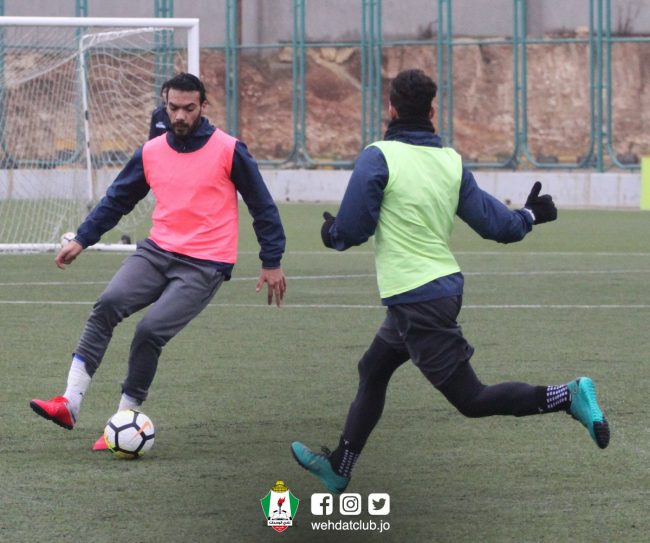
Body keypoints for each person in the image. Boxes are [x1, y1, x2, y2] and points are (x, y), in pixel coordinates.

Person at [290, 69, 609, 494]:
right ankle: (339, 467)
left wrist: (330, 232)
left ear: (391, 109)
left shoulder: (378, 156)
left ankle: (568, 396)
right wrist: (530, 214)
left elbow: (351, 230)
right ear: (432, 112)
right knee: (373, 369)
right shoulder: (450, 163)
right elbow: (498, 226)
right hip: (432, 292)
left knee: (471, 399)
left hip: (416, 299)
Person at [31, 73, 287, 450]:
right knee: (107, 305)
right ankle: (69, 403)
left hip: (206, 263)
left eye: (189, 108)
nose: (180, 115)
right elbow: (118, 199)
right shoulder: (151, 151)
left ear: (203, 106)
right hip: (157, 252)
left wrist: (271, 259)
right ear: (164, 106)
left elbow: (261, 205)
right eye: (173, 108)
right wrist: (83, 238)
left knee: (150, 331)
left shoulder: (229, 149)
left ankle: (123, 421)